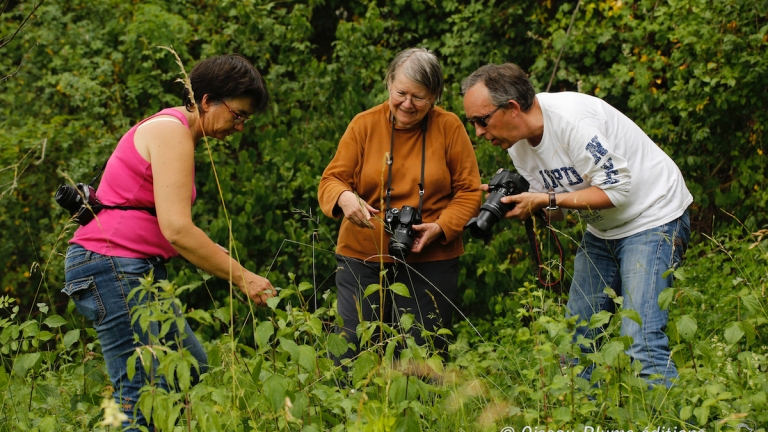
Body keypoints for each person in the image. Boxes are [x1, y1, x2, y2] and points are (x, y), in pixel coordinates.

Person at [62, 54, 275, 429]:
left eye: (246, 119)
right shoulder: (171, 131)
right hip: (113, 265)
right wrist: (243, 277)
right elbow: (177, 228)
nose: (240, 126)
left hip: (129, 267)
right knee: (143, 396)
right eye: (237, 114)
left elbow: (164, 223)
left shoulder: (177, 133)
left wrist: (209, 250)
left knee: (189, 370)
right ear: (207, 100)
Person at [461, 63, 692, 386]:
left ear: (512, 108)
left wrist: (546, 200)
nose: (479, 133)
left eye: (481, 121)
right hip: (603, 230)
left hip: (652, 217)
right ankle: (586, 416)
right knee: (576, 338)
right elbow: (556, 210)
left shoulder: (572, 121)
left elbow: (617, 190)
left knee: (641, 340)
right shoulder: (518, 147)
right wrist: (525, 203)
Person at [318, 48, 481, 364]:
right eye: (401, 93)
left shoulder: (449, 127)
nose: (407, 104)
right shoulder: (364, 125)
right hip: (362, 253)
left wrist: (441, 227)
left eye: (418, 97)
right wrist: (344, 198)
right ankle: (348, 407)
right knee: (353, 344)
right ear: (388, 84)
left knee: (422, 350)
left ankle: (422, 413)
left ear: (434, 95)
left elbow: (469, 191)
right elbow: (331, 181)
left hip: (430, 255)